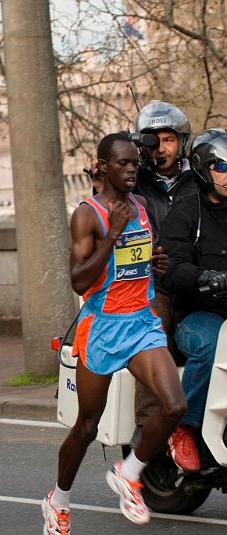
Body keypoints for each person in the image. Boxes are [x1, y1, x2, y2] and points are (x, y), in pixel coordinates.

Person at [41, 133, 186, 534]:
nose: (131, 171)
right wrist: (111, 236)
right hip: (102, 327)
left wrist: (153, 263)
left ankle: (129, 471)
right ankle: (58, 499)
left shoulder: (139, 206)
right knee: (87, 425)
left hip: (140, 321)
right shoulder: (87, 214)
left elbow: (135, 260)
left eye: (135, 165)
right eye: (123, 164)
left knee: (175, 405)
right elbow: (78, 280)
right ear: (102, 167)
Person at [160, 128, 227, 471]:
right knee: (212, 343)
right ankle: (184, 427)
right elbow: (171, 267)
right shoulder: (187, 212)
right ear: (203, 168)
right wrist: (206, 277)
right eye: (223, 167)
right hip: (198, 315)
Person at [131, 101, 198, 438]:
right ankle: (148, 428)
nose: (161, 148)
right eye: (153, 140)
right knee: (153, 330)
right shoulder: (132, 182)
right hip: (154, 283)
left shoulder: (200, 177)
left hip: (197, 277)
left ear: (182, 141)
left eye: (169, 139)